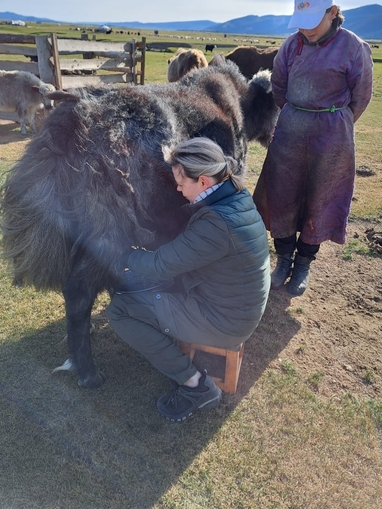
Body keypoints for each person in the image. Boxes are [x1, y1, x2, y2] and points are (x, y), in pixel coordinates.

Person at [107, 137, 271, 421]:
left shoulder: (216, 225)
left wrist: (122, 254)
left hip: (225, 320)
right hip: (236, 303)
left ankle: (196, 385)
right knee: (145, 288)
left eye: (182, 183)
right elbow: (186, 243)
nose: (179, 190)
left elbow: (159, 265)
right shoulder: (235, 195)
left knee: (120, 310)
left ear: (204, 182)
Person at [253, 0, 373, 296]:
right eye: (301, 24)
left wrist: (335, 120)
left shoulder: (353, 47)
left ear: (333, 13)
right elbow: (279, 86)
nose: (306, 31)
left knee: (320, 198)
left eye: (312, 23)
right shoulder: (291, 46)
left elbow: (360, 97)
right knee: (282, 194)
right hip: (291, 129)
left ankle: (303, 264)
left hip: (332, 135)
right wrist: (298, 114)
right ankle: (283, 259)